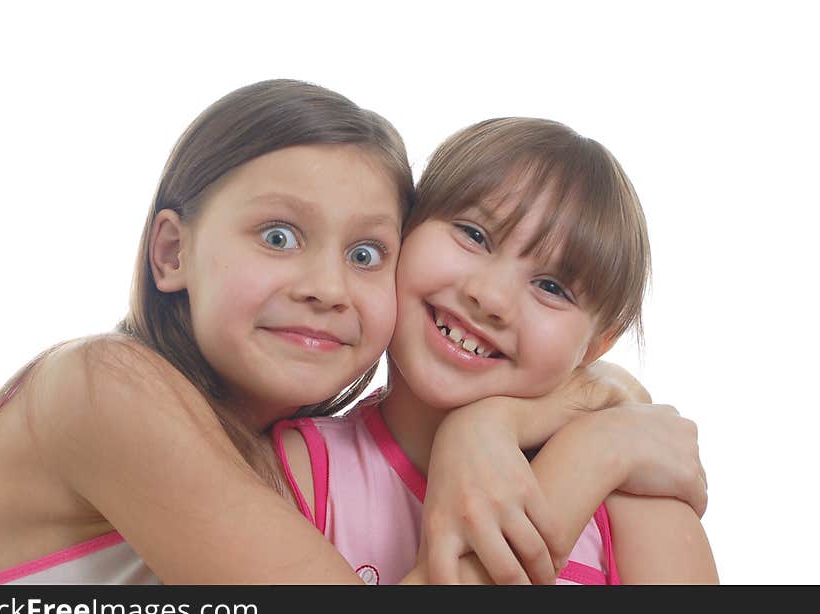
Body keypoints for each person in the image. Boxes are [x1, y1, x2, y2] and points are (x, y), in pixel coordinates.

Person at [0, 81, 705, 585]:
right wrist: (592, 450)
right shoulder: (104, 388)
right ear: (172, 252)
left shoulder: (264, 452)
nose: (326, 286)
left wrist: (497, 420)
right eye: (277, 236)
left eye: (366, 253)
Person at [272, 117, 718, 584]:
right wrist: (588, 457)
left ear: (598, 345)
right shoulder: (298, 468)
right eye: (474, 234)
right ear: (404, 228)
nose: (491, 297)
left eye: (551, 287)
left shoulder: (636, 498)